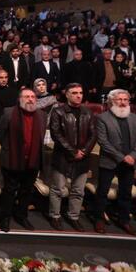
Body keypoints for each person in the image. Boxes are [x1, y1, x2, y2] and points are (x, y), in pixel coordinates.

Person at [93, 89, 136, 235]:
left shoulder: (134, 117)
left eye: (125, 99)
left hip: (130, 162)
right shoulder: (102, 118)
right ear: (111, 102)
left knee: (126, 193)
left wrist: (133, 156)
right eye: (119, 99)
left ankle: (124, 221)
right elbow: (103, 142)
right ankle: (99, 219)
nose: (123, 102)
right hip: (110, 161)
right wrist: (122, 157)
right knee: (102, 192)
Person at [0, 88, 47, 232]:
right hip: (12, 159)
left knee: (27, 190)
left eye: (33, 97)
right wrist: (11, 150)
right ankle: (5, 217)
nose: (30, 99)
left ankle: (21, 215)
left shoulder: (42, 115)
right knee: (9, 190)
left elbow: (41, 137)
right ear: (20, 99)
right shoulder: (9, 113)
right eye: (27, 96)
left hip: (32, 160)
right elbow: (0, 135)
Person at [48, 83, 97, 231]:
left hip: (83, 158)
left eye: (80, 93)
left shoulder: (88, 112)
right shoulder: (58, 111)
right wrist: (73, 151)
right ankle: (55, 216)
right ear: (67, 95)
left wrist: (84, 151)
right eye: (74, 93)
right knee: (57, 189)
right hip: (63, 156)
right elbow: (56, 134)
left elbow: (94, 134)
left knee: (78, 191)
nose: (78, 96)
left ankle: (73, 217)